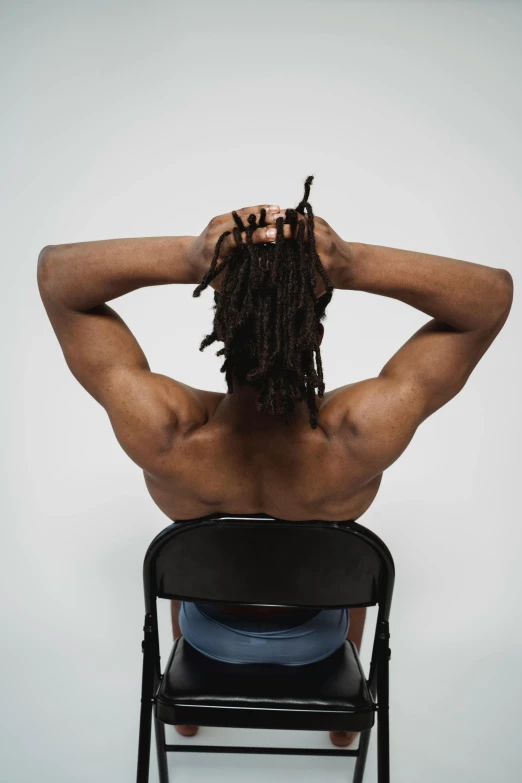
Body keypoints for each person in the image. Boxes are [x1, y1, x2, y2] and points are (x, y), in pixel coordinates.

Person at [37, 176, 513, 748]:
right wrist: (351, 262)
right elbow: (491, 297)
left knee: (189, 539)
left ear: (221, 314)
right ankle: (343, 722)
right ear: (314, 319)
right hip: (317, 642)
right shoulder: (357, 436)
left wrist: (190, 256)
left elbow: (56, 277)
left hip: (209, 639)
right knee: (343, 543)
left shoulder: (166, 433)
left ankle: (183, 713)